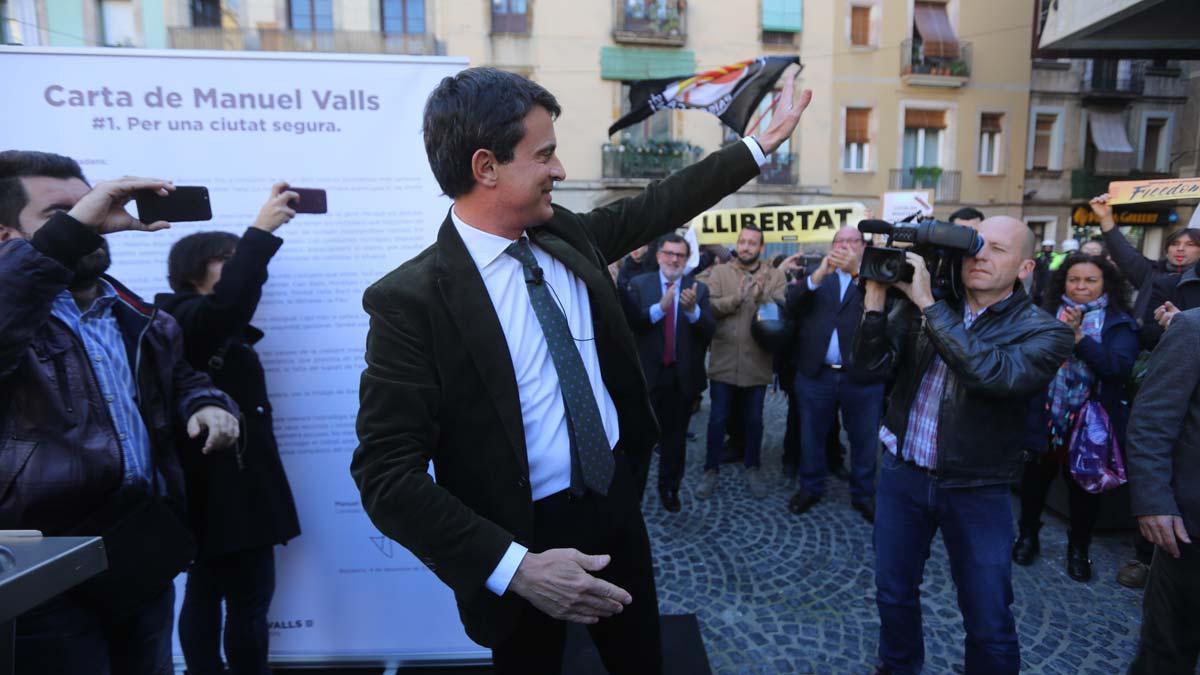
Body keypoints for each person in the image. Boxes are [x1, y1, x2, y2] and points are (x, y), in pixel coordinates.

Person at [350, 66, 810, 674]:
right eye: (545, 155)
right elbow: (385, 476)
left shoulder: (565, 234)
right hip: (521, 539)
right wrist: (517, 567)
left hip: (615, 502)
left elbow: (661, 203)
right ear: (486, 167)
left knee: (640, 659)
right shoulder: (411, 301)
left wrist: (755, 147)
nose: (561, 170)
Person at [0, 150, 239, 674]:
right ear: (5, 237)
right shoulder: (14, 319)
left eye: (86, 204)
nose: (87, 220)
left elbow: (182, 380)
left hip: (137, 552)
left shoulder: (137, 314)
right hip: (39, 567)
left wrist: (206, 404)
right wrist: (73, 230)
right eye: (61, 214)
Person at [853, 216, 1074, 675]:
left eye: (996, 249)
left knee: (988, 615)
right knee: (893, 593)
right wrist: (875, 300)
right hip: (903, 474)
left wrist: (929, 304)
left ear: (1026, 267)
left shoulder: (1045, 332)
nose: (980, 256)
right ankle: (897, 667)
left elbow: (991, 374)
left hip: (977, 487)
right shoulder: (928, 303)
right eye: (975, 246)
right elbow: (870, 368)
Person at [155, 183, 303, 675]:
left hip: (241, 490)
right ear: (199, 269)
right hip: (217, 493)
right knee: (223, 598)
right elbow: (231, 302)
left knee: (235, 598)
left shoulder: (206, 326)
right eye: (230, 259)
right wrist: (261, 231)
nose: (242, 269)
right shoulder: (186, 318)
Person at [1012, 254, 1138, 582]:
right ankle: (1027, 536)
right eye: (1074, 279)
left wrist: (1080, 339)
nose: (1081, 286)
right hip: (1045, 414)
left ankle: (1078, 549)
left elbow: (1117, 368)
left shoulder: (1119, 322)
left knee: (1084, 491)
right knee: (1034, 482)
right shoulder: (1045, 314)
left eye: (1090, 280)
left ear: (1105, 284)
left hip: (1091, 422)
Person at [783, 227, 884, 523]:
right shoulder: (817, 274)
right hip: (817, 374)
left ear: (863, 247)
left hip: (862, 376)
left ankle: (863, 494)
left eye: (852, 241)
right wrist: (817, 277)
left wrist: (856, 274)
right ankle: (811, 487)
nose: (845, 246)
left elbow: (883, 309)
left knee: (864, 440)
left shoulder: (876, 275)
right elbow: (792, 305)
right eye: (839, 241)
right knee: (811, 435)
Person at [1125, 307, 1200, 674]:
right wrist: (1154, 501)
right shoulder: (1193, 327)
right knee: (1167, 652)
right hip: (1189, 531)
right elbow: (1152, 419)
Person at [623, 234, 715, 513]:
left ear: (687, 260)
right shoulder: (639, 285)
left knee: (675, 441)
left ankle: (669, 489)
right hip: (647, 378)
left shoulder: (697, 289)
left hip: (681, 378)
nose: (674, 259)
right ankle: (633, 495)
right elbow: (633, 326)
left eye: (680, 255)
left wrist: (692, 312)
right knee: (639, 440)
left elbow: (709, 331)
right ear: (659, 255)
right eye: (669, 253)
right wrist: (660, 309)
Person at [696, 224, 788, 500]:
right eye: (743, 241)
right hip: (724, 359)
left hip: (757, 361)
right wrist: (736, 299)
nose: (746, 246)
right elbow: (709, 305)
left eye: (753, 243)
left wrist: (761, 297)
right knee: (717, 418)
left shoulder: (775, 274)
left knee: (754, 419)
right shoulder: (720, 272)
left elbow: (782, 308)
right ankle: (710, 470)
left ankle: (753, 466)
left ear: (761, 247)